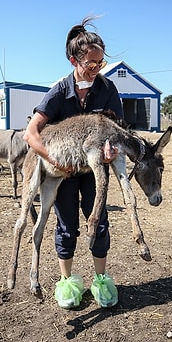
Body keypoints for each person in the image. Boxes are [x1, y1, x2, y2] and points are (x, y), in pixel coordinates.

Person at [23, 16, 122, 309]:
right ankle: (67, 283)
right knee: (67, 226)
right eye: (91, 64)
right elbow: (31, 133)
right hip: (64, 173)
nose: (96, 70)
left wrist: (111, 153)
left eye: (100, 63)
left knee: (99, 222)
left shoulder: (108, 90)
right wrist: (53, 160)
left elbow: (116, 132)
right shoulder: (58, 91)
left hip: (94, 170)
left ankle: (101, 280)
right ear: (73, 61)